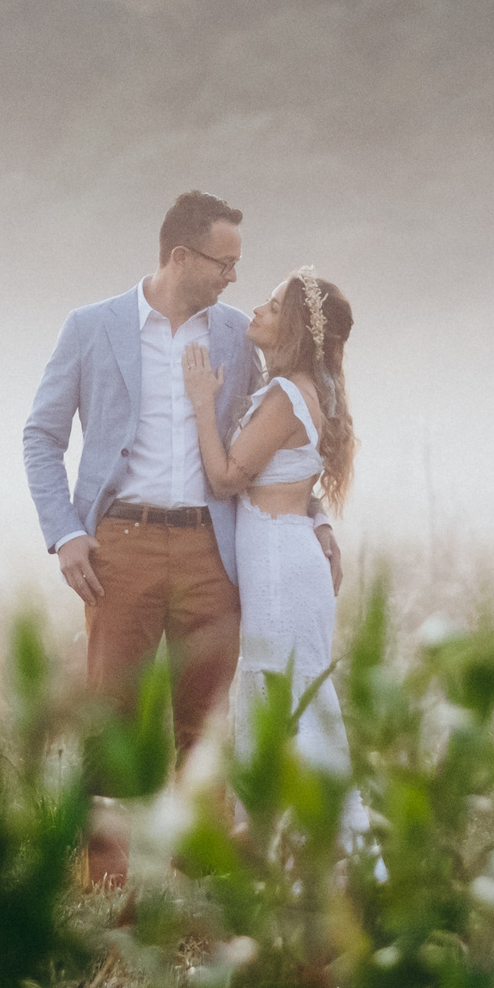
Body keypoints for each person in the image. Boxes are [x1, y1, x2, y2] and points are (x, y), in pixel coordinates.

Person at [22, 192, 343, 790]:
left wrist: (315, 517)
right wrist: (64, 532)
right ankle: (107, 877)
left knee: (208, 720)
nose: (234, 276)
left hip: (213, 549)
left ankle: (198, 868)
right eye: (224, 263)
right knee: (113, 717)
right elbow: (42, 437)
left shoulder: (237, 337)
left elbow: (272, 440)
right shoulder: (91, 327)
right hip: (119, 546)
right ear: (180, 256)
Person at [181, 267, 357, 781]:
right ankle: (293, 844)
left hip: (281, 569)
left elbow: (226, 478)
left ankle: (305, 839)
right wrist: (321, 522)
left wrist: (200, 403)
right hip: (283, 557)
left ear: (298, 328)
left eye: (275, 307)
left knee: (287, 700)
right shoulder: (305, 389)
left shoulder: (286, 396)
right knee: (286, 698)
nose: (258, 310)